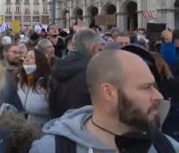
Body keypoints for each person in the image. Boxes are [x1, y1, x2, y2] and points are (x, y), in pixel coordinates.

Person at [30, 49, 179, 153]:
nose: (158, 96)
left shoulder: (166, 146)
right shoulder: (51, 149)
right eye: (146, 87)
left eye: (154, 86)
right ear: (109, 93)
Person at [49, 28, 101, 119]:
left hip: (59, 125)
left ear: (73, 45)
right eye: (99, 48)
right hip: (83, 126)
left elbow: (51, 103)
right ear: (94, 48)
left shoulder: (56, 66)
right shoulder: (93, 71)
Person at [17, 49, 50, 127]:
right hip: (22, 127)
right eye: (26, 57)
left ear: (39, 63)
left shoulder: (47, 83)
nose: (27, 59)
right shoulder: (20, 81)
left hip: (42, 128)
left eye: (31, 57)